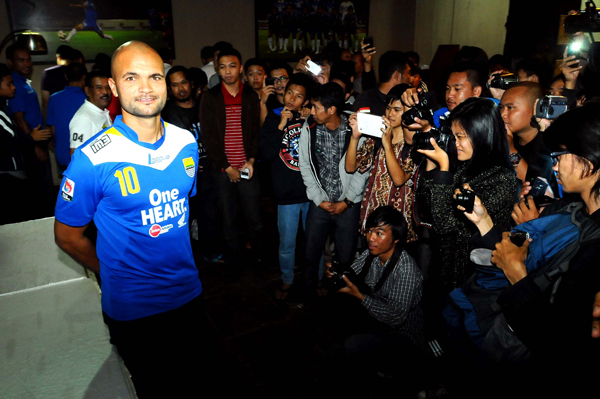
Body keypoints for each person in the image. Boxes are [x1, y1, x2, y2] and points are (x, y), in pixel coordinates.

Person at [54, 41, 204, 398]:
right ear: (114, 87)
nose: (146, 88)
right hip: (133, 308)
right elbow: (67, 236)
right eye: (132, 77)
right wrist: (108, 271)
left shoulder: (186, 142)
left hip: (188, 294)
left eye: (155, 76)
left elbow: (182, 208)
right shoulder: (92, 159)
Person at [483, 102, 600, 397]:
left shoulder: (595, 249)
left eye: (560, 156)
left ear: (590, 159)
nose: (555, 166)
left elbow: (558, 345)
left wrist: (516, 273)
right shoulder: (575, 209)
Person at [324, 206, 426, 397]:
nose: (371, 238)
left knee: (351, 347)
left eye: (379, 233)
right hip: (378, 321)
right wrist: (337, 273)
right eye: (370, 230)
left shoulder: (406, 271)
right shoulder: (372, 253)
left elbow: (396, 318)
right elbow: (353, 272)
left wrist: (360, 296)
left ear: (396, 239)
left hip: (403, 337)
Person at [418, 97, 517, 293]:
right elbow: (427, 208)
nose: (455, 144)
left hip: (475, 280)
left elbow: (444, 224)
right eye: (453, 137)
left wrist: (444, 169)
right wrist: (433, 167)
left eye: (460, 136)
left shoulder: (502, 178)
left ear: (481, 134)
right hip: (447, 273)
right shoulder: (465, 168)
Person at [299, 82, 370, 290]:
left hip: (348, 205)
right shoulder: (309, 127)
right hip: (320, 203)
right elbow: (305, 164)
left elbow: (362, 169)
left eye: (315, 107)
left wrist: (347, 201)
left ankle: (341, 294)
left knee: (345, 256)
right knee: (310, 252)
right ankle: (310, 290)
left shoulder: (355, 128)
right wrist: (319, 199)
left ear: (331, 110)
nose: (311, 111)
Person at [200, 47, 263, 266]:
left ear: (241, 68)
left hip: (247, 167)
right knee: (228, 220)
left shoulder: (250, 96)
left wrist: (252, 160)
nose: (228, 71)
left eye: (233, 66)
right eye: (223, 67)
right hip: (221, 170)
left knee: (254, 219)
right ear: (217, 69)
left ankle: (257, 258)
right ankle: (234, 261)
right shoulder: (211, 97)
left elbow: (256, 133)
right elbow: (208, 137)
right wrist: (227, 167)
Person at [345, 84, 420, 254]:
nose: (390, 114)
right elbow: (350, 167)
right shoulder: (376, 138)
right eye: (388, 108)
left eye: (396, 110)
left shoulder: (413, 146)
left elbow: (399, 179)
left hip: (398, 221)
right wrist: (355, 137)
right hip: (374, 214)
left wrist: (387, 144)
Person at [260, 73, 316, 299]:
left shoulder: (311, 119)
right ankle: (286, 280)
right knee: (286, 243)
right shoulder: (274, 119)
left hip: (312, 193)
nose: (292, 98)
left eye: (299, 95)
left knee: (314, 242)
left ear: (306, 100)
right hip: (286, 194)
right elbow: (265, 154)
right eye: (289, 92)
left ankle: (317, 278)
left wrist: (306, 120)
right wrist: (281, 125)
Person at [162, 66, 221, 263]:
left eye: (183, 83)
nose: (180, 88)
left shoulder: (205, 106)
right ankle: (182, 259)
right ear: (169, 89)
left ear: (191, 84)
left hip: (210, 172)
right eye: (175, 85)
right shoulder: (166, 114)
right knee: (181, 220)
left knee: (209, 216)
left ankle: (210, 253)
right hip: (182, 176)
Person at [6, 44, 53, 214]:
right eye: (21, 60)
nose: (27, 64)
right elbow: (19, 118)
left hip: (38, 141)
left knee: (45, 188)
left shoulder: (23, 82)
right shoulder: (15, 85)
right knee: (41, 190)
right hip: (32, 146)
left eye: (28, 59)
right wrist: (35, 146)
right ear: (10, 62)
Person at [499, 82, 559, 197]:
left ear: (535, 109)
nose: (503, 114)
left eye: (510, 108)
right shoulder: (506, 138)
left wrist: (510, 151)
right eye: (501, 108)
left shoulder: (549, 143)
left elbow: (536, 185)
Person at [0, 63, 41, 225]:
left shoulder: (4, 108)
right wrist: (32, 138)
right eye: (9, 84)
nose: (14, 88)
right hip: (7, 176)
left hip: (13, 173)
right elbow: (5, 145)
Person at [46, 62, 87, 172]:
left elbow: (53, 130)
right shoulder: (88, 99)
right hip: (85, 157)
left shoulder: (54, 98)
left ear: (66, 77)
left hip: (63, 155)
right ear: (84, 78)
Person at [352, 50, 412, 116]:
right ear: (397, 75)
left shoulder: (407, 100)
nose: (411, 79)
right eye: (408, 73)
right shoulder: (365, 101)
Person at [432, 61, 489, 128]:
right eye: (448, 88)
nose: (450, 95)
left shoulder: (487, 121)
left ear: (476, 91)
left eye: (457, 89)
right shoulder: (439, 116)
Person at [69, 71, 112, 156]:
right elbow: (76, 157)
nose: (105, 92)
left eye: (107, 87)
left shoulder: (100, 112)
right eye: (99, 87)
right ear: (87, 91)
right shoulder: (83, 119)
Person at [260, 61, 293, 126]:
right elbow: (265, 130)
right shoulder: (268, 104)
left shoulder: (298, 100)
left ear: (289, 79)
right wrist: (263, 102)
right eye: (274, 79)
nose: (279, 83)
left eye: (283, 78)